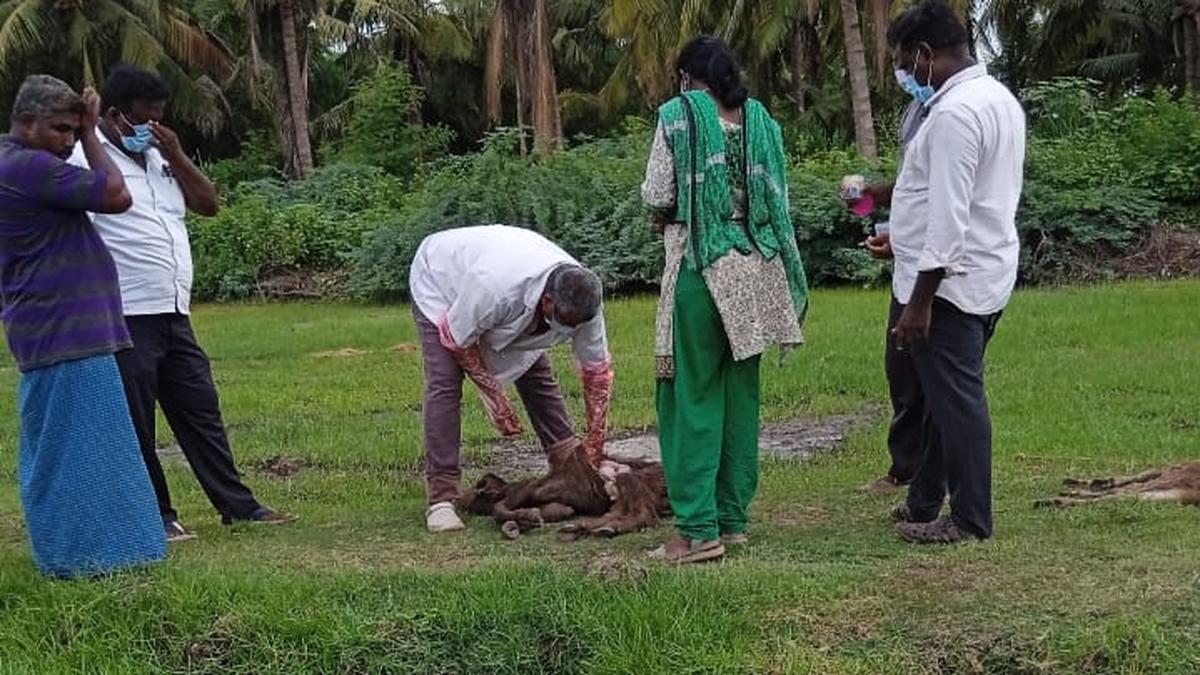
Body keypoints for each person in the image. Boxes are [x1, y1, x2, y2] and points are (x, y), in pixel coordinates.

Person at [69, 65, 295, 542]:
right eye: (145, 120)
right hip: (125, 311)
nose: (153, 127)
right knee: (138, 419)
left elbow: (209, 204)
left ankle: (238, 506)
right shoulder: (84, 158)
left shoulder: (160, 157)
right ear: (113, 116)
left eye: (159, 118)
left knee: (200, 410)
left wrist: (175, 152)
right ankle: (158, 514)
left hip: (174, 309)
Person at [641, 36, 810, 564]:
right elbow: (778, 199)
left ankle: (696, 533)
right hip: (758, 269)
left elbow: (658, 195)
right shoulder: (761, 122)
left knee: (690, 397)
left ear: (690, 78)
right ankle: (732, 521)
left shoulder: (678, 116)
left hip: (702, 267)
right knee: (740, 400)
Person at [872, 0, 1026, 544]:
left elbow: (951, 215)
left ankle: (969, 519)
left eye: (905, 62)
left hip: (952, 286)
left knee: (958, 403)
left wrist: (920, 302)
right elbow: (955, 198)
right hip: (982, 269)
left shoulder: (956, 115)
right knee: (941, 398)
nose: (904, 73)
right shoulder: (995, 99)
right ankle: (922, 503)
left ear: (924, 54)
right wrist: (901, 238)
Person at [0, 75, 166, 577]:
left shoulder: (15, 163)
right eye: (60, 129)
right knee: (81, 448)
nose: (69, 141)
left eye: (75, 130)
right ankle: (87, 555)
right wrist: (96, 133)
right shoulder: (27, 167)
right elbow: (116, 195)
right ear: (25, 123)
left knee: (67, 444)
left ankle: (87, 549)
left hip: (53, 328)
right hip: (65, 331)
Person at [408, 225, 616, 534]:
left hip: (506, 297)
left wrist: (594, 453)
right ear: (547, 301)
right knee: (445, 382)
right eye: (565, 322)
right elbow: (455, 339)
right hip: (441, 280)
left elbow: (597, 375)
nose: (572, 329)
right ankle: (442, 497)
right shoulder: (492, 287)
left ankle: (567, 464)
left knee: (536, 372)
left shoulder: (586, 302)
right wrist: (497, 400)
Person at [845, 101, 930, 495]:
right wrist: (876, 199)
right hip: (909, 268)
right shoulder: (916, 108)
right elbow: (915, 187)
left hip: (939, 275)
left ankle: (937, 478)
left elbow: (945, 198)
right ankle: (906, 468)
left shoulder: (956, 113)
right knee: (902, 371)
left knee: (938, 380)